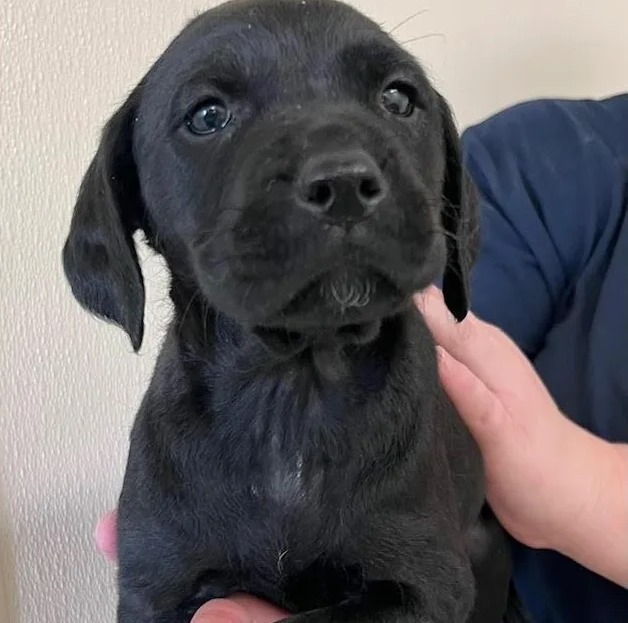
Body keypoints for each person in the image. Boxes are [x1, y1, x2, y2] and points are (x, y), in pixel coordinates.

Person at [94, 94, 628, 622]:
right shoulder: (550, 159)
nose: (341, 171)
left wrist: (577, 488)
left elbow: (437, 586)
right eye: (209, 116)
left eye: (396, 100)